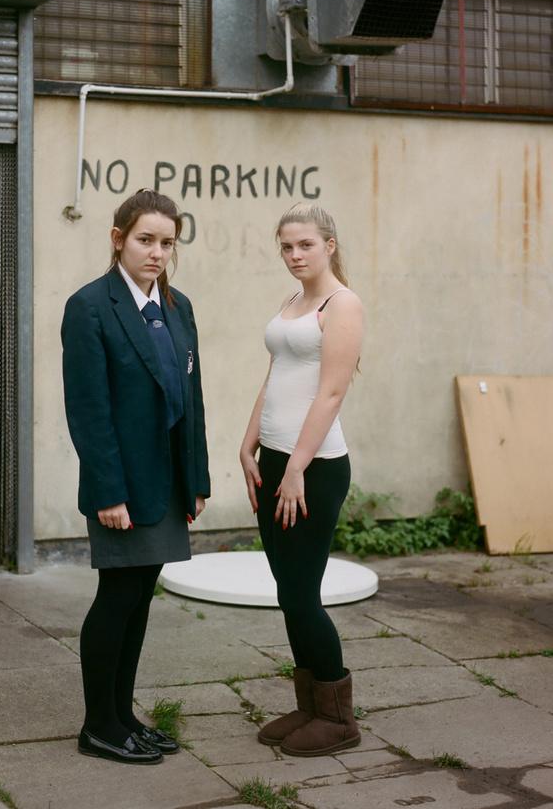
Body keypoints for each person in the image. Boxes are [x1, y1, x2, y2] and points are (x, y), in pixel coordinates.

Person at [61, 188, 210, 766]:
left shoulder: (178, 306)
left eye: (167, 243)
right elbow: (89, 411)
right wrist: (108, 491)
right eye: (145, 240)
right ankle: (98, 725)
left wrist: (196, 478)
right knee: (118, 595)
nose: (156, 253)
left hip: (167, 481)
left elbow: (191, 398)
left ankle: (122, 717)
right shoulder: (90, 307)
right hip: (122, 486)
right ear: (118, 239)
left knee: (141, 597)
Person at [239, 202, 364, 757]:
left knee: (300, 593)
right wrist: (249, 443)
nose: (294, 255)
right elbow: (276, 376)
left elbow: (331, 393)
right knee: (288, 592)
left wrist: (295, 469)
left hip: (313, 468)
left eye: (305, 245)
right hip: (276, 462)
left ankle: (338, 718)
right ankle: (311, 704)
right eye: (286, 246)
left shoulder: (343, 304)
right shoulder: (292, 302)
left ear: (329, 246)